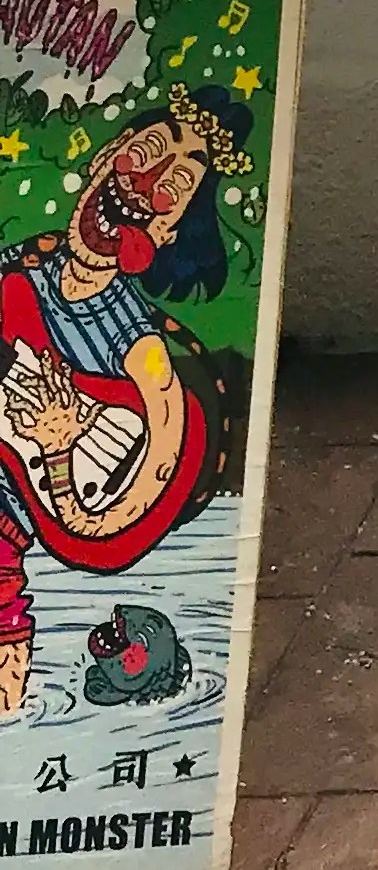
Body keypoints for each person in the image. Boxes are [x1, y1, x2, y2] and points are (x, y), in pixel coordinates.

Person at [0, 93, 232, 714]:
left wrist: (59, 455)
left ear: (166, 232)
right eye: (148, 151)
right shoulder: (20, 273)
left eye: (175, 186)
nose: (148, 181)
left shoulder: (137, 343)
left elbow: (159, 451)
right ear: (105, 156)